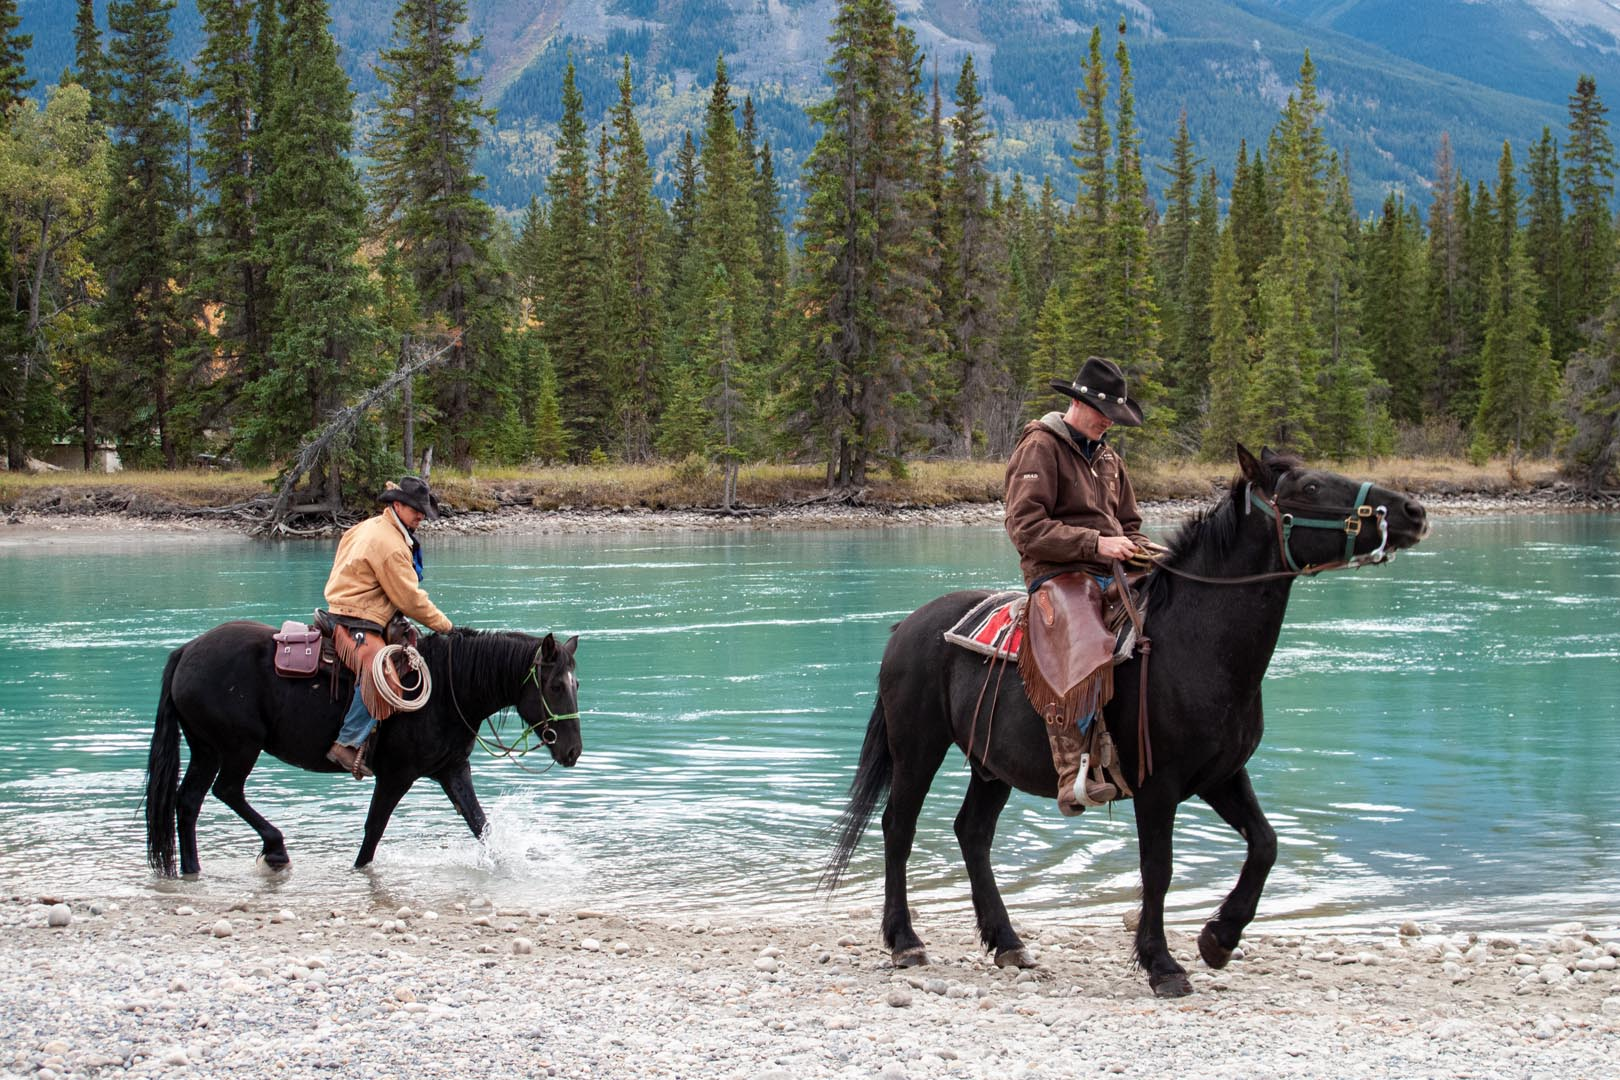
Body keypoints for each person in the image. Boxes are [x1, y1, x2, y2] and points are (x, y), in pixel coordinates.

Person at [1004, 356, 1153, 815]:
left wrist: (1144, 550)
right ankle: (1072, 768)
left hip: (1109, 564)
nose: (1107, 421)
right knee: (1081, 629)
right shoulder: (1040, 447)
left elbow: (1129, 524)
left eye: (1113, 415)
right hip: (1056, 571)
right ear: (1075, 401)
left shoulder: (1109, 457)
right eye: (1099, 410)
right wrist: (1095, 544)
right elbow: (1024, 527)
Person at [323, 476, 453, 778]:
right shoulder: (391, 544)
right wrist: (446, 626)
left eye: (422, 511)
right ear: (397, 505)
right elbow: (410, 599)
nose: (420, 516)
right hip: (358, 617)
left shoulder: (369, 526)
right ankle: (348, 742)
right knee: (385, 678)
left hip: (354, 608)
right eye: (415, 510)